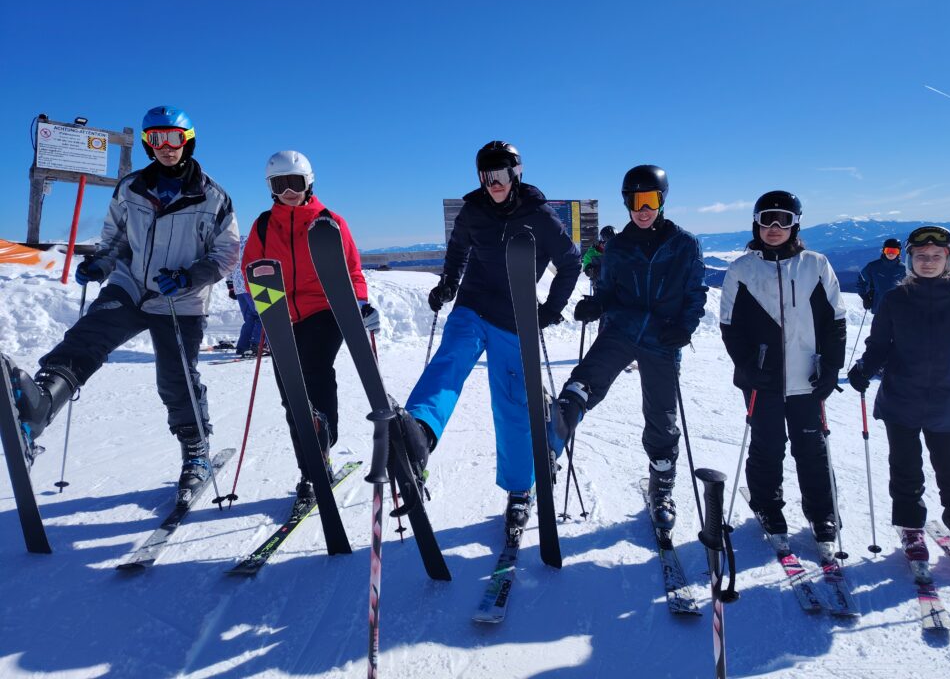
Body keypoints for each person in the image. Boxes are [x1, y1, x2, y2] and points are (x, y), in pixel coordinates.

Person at [5, 105, 239, 505]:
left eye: (174, 138)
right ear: (148, 144)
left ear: (188, 141)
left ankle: (196, 452)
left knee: (176, 378)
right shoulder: (131, 188)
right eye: (157, 139)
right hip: (131, 287)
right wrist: (101, 263)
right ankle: (40, 406)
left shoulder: (213, 196)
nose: (166, 147)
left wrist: (189, 277)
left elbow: (226, 254)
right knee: (87, 337)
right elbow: (115, 237)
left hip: (179, 298)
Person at [401, 140, 580, 540]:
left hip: (515, 319)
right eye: (486, 175)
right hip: (473, 305)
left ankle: (519, 490)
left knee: (512, 403)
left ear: (516, 174)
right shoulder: (473, 210)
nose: (493, 182)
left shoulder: (539, 215)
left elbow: (570, 262)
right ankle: (419, 433)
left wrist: (551, 309)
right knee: (450, 359)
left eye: (500, 174)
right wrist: (448, 284)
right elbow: (457, 250)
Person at [553, 165, 707, 531]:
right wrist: (596, 305)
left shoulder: (684, 244)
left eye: (650, 200)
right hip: (621, 329)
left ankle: (662, 487)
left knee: (661, 417)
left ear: (662, 200)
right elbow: (608, 290)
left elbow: (695, 293)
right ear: (627, 203)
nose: (643, 209)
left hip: (662, 338)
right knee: (585, 380)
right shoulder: (619, 246)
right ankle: (552, 438)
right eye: (636, 201)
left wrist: (684, 327)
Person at [849, 225, 950, 572]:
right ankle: (911, 529)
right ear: (910, 260)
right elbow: (879, 345)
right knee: (905, 469)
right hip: (901, 400)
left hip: (948, 401)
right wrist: (863, 369)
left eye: (936, 256)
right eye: (921, 256)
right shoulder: (896, 299)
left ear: (948, 259)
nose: (929, 262)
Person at [241, 151, 378, 499]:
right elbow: (251, 267)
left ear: (309, 182)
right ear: (271, 188)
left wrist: (360, 304)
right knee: (291, 394)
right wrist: (264, 303)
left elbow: (352, 270)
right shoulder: (263, 225)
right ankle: (311, 469)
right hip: (281, 316)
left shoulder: (329, 223)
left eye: (295, 182)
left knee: (314, 373)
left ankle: (323, 442)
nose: (289, 191)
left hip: (324, 310)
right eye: (280, 184)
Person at [718, 191, 847, 556]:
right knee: (768, 444)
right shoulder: (742, 269)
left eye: (783, 220)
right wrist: (747, 367)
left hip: (808, 377)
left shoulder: (815, 264)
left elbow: (835, 320)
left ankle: (823, 514)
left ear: (795, 225)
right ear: (756, 224)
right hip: (762, 379)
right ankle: (767, 506)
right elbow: (729, 325)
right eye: (767, 219)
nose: (774, 227)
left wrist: (831, 367)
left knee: (812, 447)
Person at [226, 234, 264, 356]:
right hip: (252, 285)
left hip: (239, 287)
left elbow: (228, 265)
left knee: (250, 317)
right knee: (262, 316)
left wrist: (230, 286)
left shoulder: (233, 247)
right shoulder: (256, 243)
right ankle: (257, 345)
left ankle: (243, 346)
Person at [857, 238, 903, 314]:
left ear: (899, 252)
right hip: (878, 307)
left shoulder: (903, 269)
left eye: (894, 251)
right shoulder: (873, 267)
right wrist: (865, 297)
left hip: (898, 308)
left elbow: (911, 287)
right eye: (888, 250)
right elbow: (861, 281)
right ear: (883, 251)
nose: (891, 253)